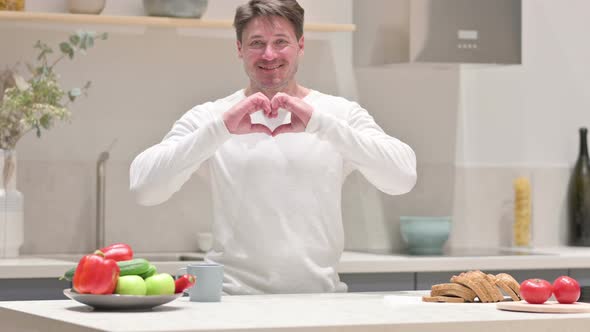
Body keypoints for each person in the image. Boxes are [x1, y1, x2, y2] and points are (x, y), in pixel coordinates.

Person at [129, 0, 417, 295]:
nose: (269, 54)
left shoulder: (337, 115)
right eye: (257, 43)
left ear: (300, 45)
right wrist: (220, 129)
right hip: (232, 303)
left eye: (281, 42)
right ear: (239, 49)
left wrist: (320, 124)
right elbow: (144, 188)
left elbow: (402, 177)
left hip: (319, 304)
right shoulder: (212, 117)